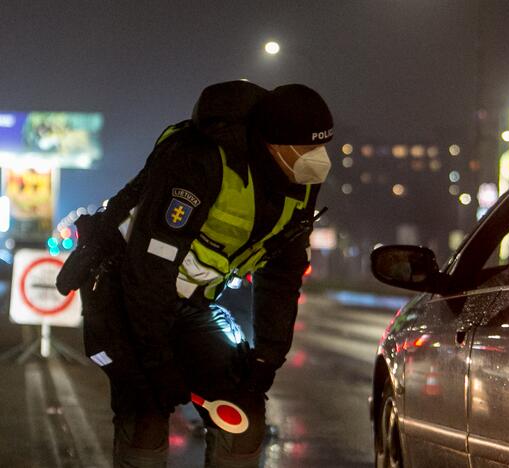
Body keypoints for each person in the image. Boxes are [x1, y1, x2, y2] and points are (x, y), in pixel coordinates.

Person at [59, 80, 333, 467]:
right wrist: (158, 360)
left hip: (192, 304)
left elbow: (283, 275)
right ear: (271, 143)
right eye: (307, 149)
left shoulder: (301, 183)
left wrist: (266, 359)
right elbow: (147, 270)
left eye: (321, 147)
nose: (318, 159)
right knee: (147, 414)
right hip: (124, 295)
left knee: (244, 415)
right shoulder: (198, 162)